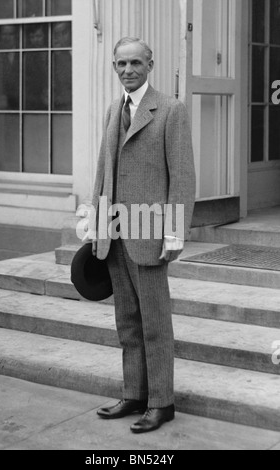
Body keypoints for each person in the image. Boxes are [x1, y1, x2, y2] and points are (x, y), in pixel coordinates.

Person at [87, 37, 196, 434]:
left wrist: (174, 235)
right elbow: (104, 171)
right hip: (116, 233)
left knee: (154, 322)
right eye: (120, 64)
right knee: (127, 322)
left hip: (150, 234)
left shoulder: (170, 110)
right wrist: (98, 226)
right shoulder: (113, 109)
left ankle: (161, 402)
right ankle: (133, 393)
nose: (127, 70)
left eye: (135, 63)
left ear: (150, 64)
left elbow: (181, 177)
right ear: (114, 67)